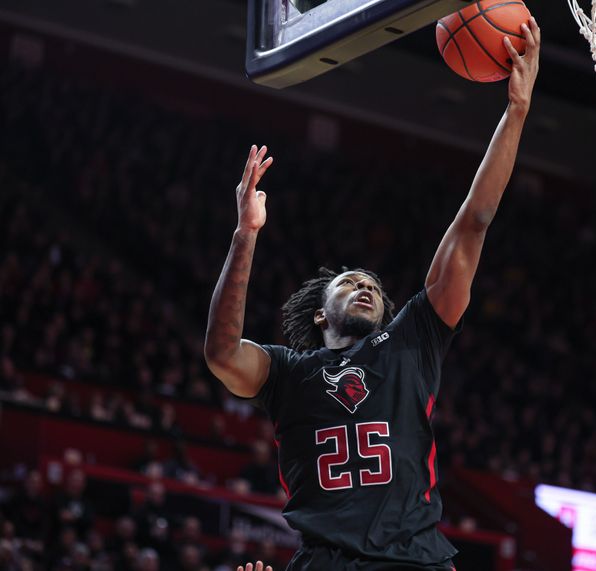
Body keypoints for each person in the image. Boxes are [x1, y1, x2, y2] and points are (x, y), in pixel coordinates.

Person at [204, 18, 541, 571]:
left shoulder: (413, 338)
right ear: (320, 314)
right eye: (349, 282)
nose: (364, 284)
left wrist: (516, 112)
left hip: (416, 561)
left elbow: (474, 222)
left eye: (373, 286)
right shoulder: (289, 373)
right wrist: (245, 236)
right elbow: (221, 354)